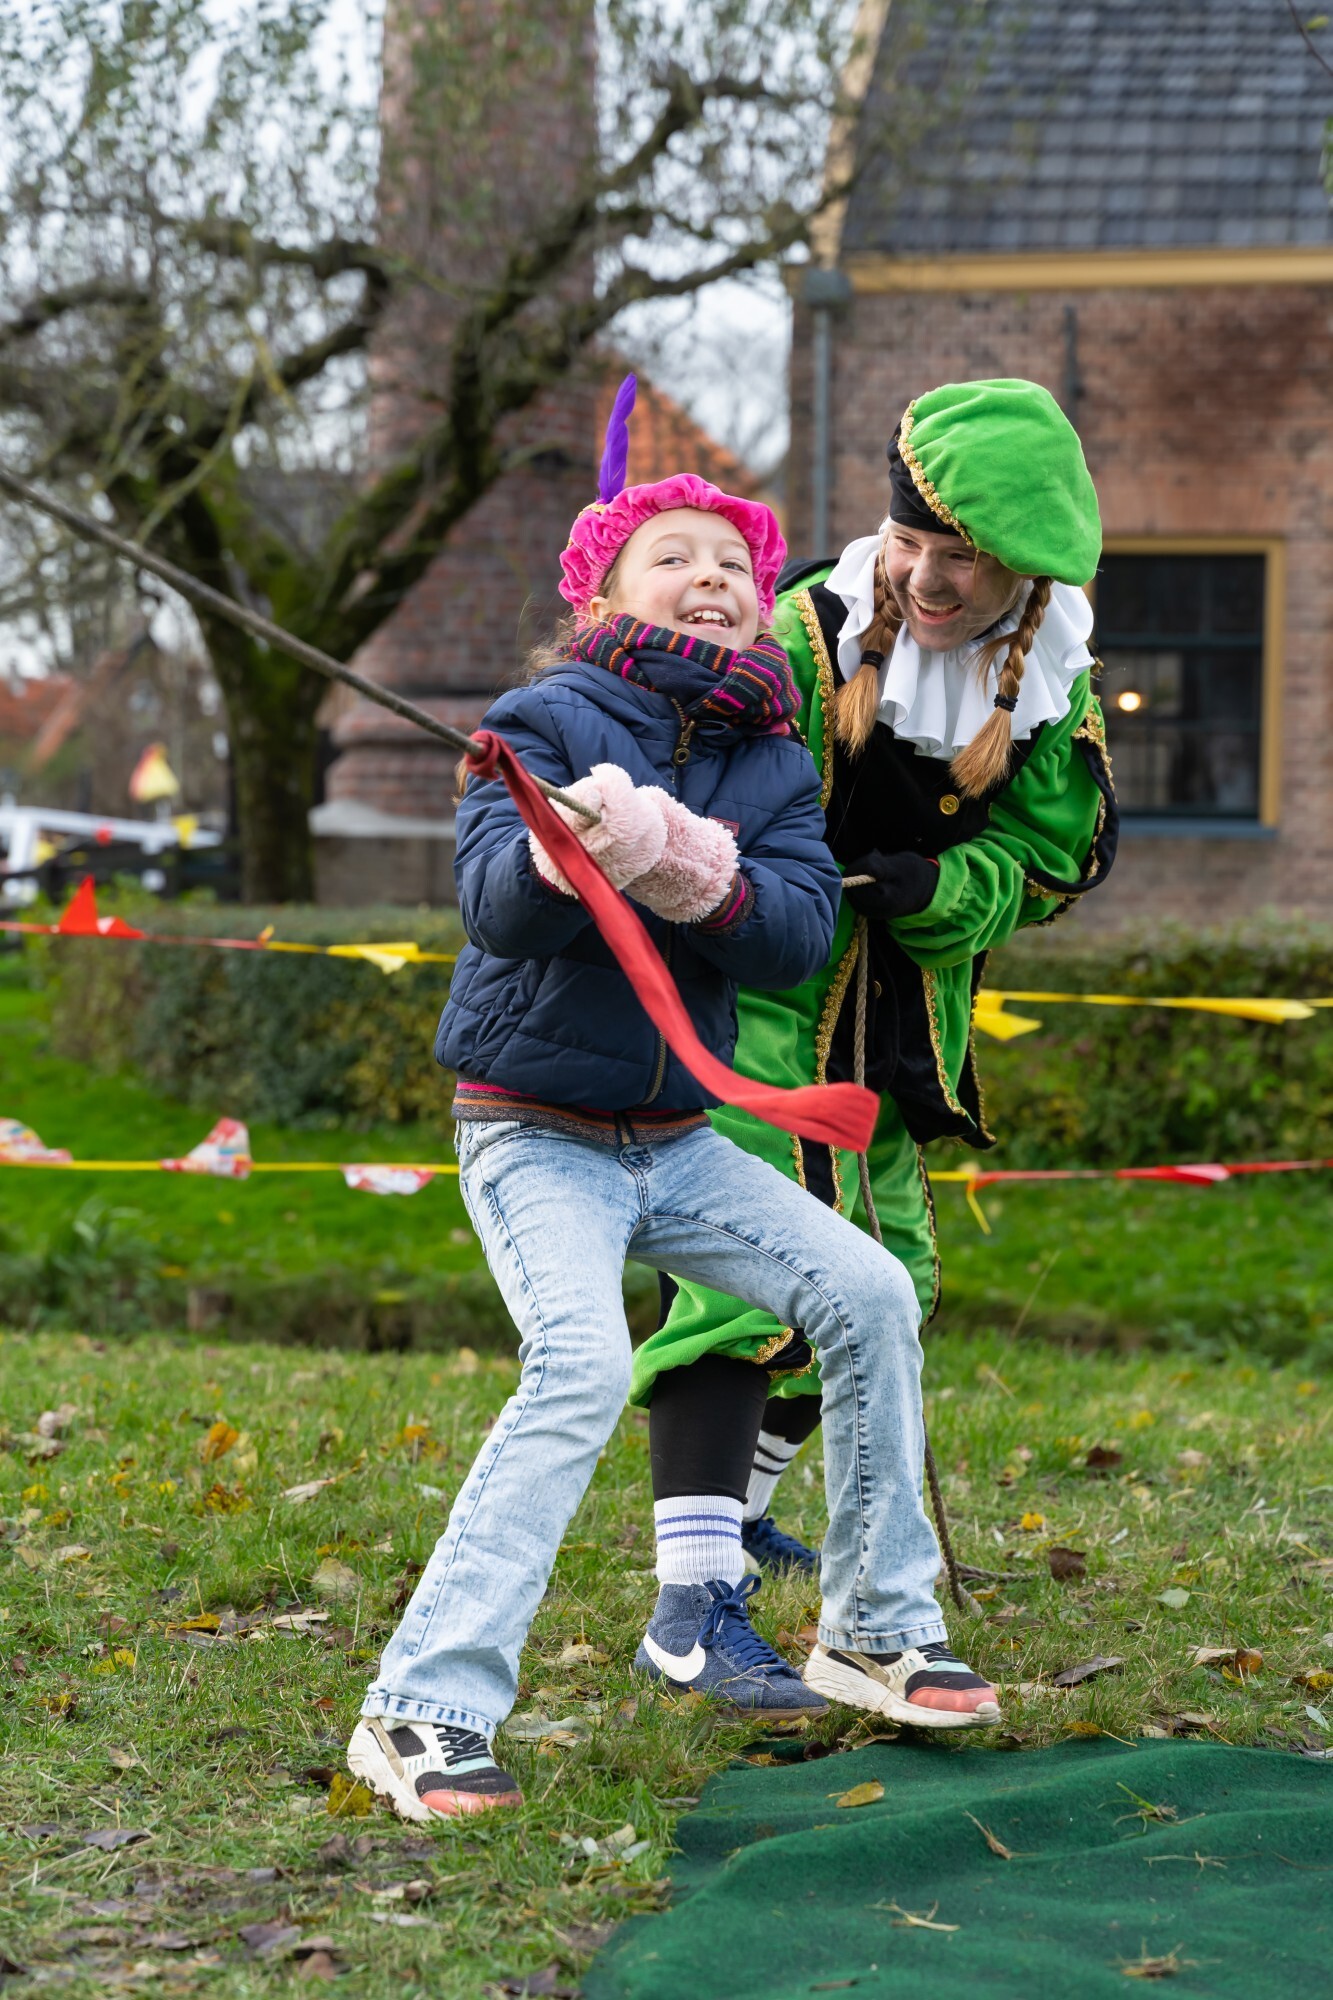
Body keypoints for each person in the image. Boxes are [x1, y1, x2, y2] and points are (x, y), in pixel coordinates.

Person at [346, 389, 1000, 1822]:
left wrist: (673, 856)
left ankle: (881, 1630)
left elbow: (785, 933)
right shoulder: (542, 716)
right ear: (601, 592)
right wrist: (564, 844)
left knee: (871, 1291)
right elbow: (497, 910)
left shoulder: (772, 755)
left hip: (683, 1143)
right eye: (674, 557)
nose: (711, 578)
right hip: (536, 1134)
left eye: (734, 566)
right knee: (578, 1366)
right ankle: (420, 1712)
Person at [632, 378, 1118, 1714]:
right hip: (748, 1005)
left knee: (888, 1278)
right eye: (916, 546)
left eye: (967, 560)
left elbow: (1042, 867)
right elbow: (669, 755)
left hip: (898, 1027)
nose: (935, 579)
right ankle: (692, 1605)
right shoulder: (800, 635)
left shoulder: (1053, 697)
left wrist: (938, 894)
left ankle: (744, 1516)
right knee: (749, 1278)